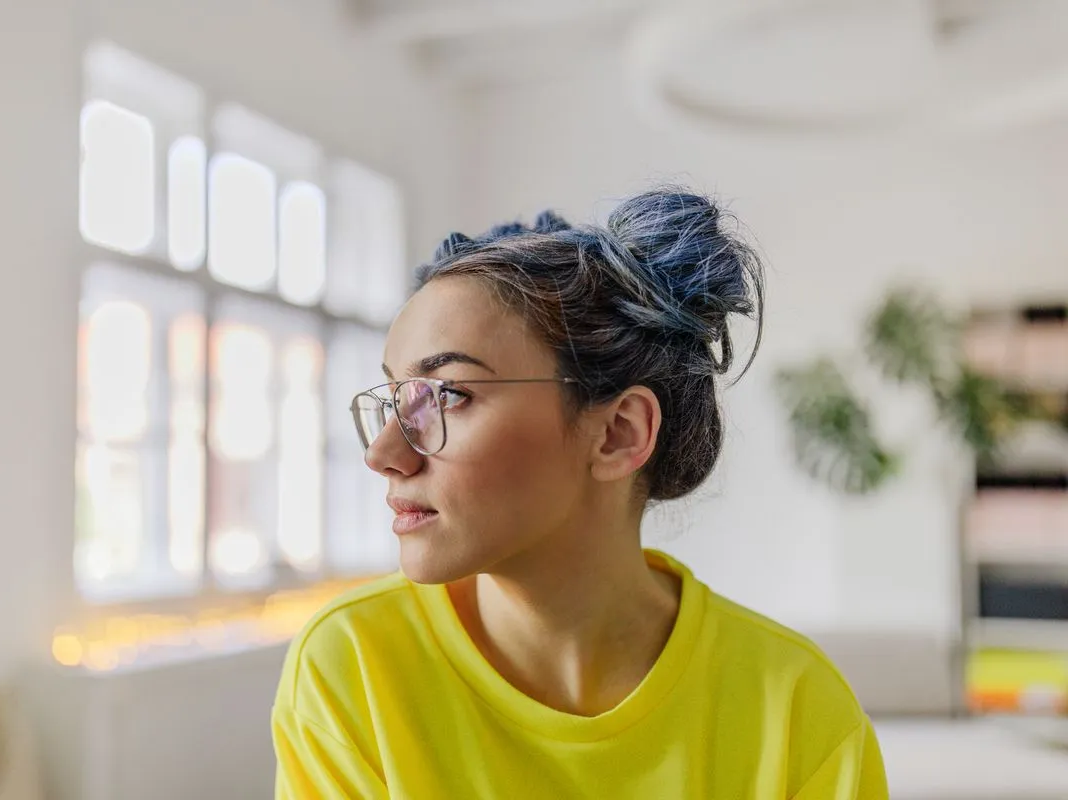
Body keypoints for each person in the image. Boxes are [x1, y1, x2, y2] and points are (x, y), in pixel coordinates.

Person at [272, 187, 888, 799]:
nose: (382, 455)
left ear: (619, 434)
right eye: (395, 398)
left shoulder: (797, 710)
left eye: (450, 394)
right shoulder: (354, 667)